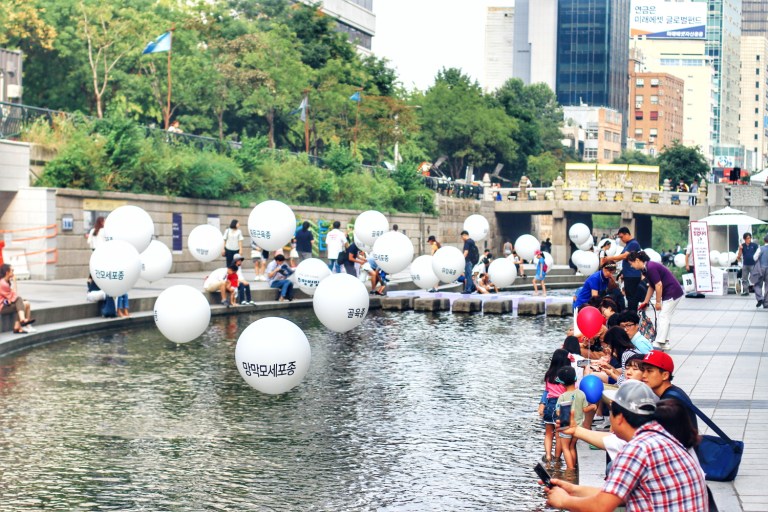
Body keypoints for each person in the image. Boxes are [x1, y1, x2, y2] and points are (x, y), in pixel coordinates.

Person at [543, 380, 708, 512]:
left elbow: (601, 506)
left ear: (620, 418)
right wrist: (573, 490)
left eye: (611, 411)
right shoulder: (664, 436)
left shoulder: (636, 450)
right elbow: (618, 496)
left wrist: (564, 501)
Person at [627, 251, 684, 350]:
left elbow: (658, 285)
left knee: (663, 316)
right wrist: (645, 302)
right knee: (664, 316)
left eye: (631, 263)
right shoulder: (645, 269)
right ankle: (665, 342)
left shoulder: (651, 267)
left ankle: (659, 342)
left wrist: (658, 302)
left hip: (672, 292)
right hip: (671, 292)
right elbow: (652, 286)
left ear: (637, 260)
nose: (631, 266)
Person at [641, 350, 697, 430]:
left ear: (665, 375)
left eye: (649, 371)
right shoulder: (673, 393)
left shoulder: (670, 402)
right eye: (643, 370)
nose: (643, 375)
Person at [555, 365, 596, 469]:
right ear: (575, 379)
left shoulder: (562, 397)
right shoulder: (581, 394)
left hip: (566, 426)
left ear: (561, 383)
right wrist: (592, 407)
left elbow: (558, 412)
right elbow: (585, 409)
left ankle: (570, 469)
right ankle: (573, 466)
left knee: (565, 448)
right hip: (578, 427)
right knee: (572, 447)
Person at [539, 348, 570, 463]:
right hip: (563, 405)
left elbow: (547, 390)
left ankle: (547, 455)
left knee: (548, 433)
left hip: (550, 405)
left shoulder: (549, 375)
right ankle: (557, 459)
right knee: (559, 435)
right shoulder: (567, 376)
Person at [603, 227, 642, 311]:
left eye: (622, 237)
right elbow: (619, 258)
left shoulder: (633, 244)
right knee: (629, 296)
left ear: (627, 234)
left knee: (632, 297)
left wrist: (610, 258)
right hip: (628, 275)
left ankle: (632, 316)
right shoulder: (628, 244)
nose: (621, 239)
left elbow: (625, 256)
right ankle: (631, 315)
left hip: (633, 275)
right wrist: (607, 260)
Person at [0, 264, 36, 333]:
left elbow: (12, 296)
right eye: (12, 271)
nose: (13, 272)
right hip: (2, 307)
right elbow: (14, 297)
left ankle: (26, 325)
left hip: (6, 304)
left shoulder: (6, 282)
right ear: (7, 272)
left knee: (26, 303)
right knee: (20, 301)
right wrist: (15, 282)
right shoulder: (2, 283)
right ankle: (22, 322)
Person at [753, 234, 768, 308]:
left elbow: (755, 258)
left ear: (764, 240)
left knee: (758, 284)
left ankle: (760, 298)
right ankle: (766, 303)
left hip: (761, 268)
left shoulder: (760, 248)